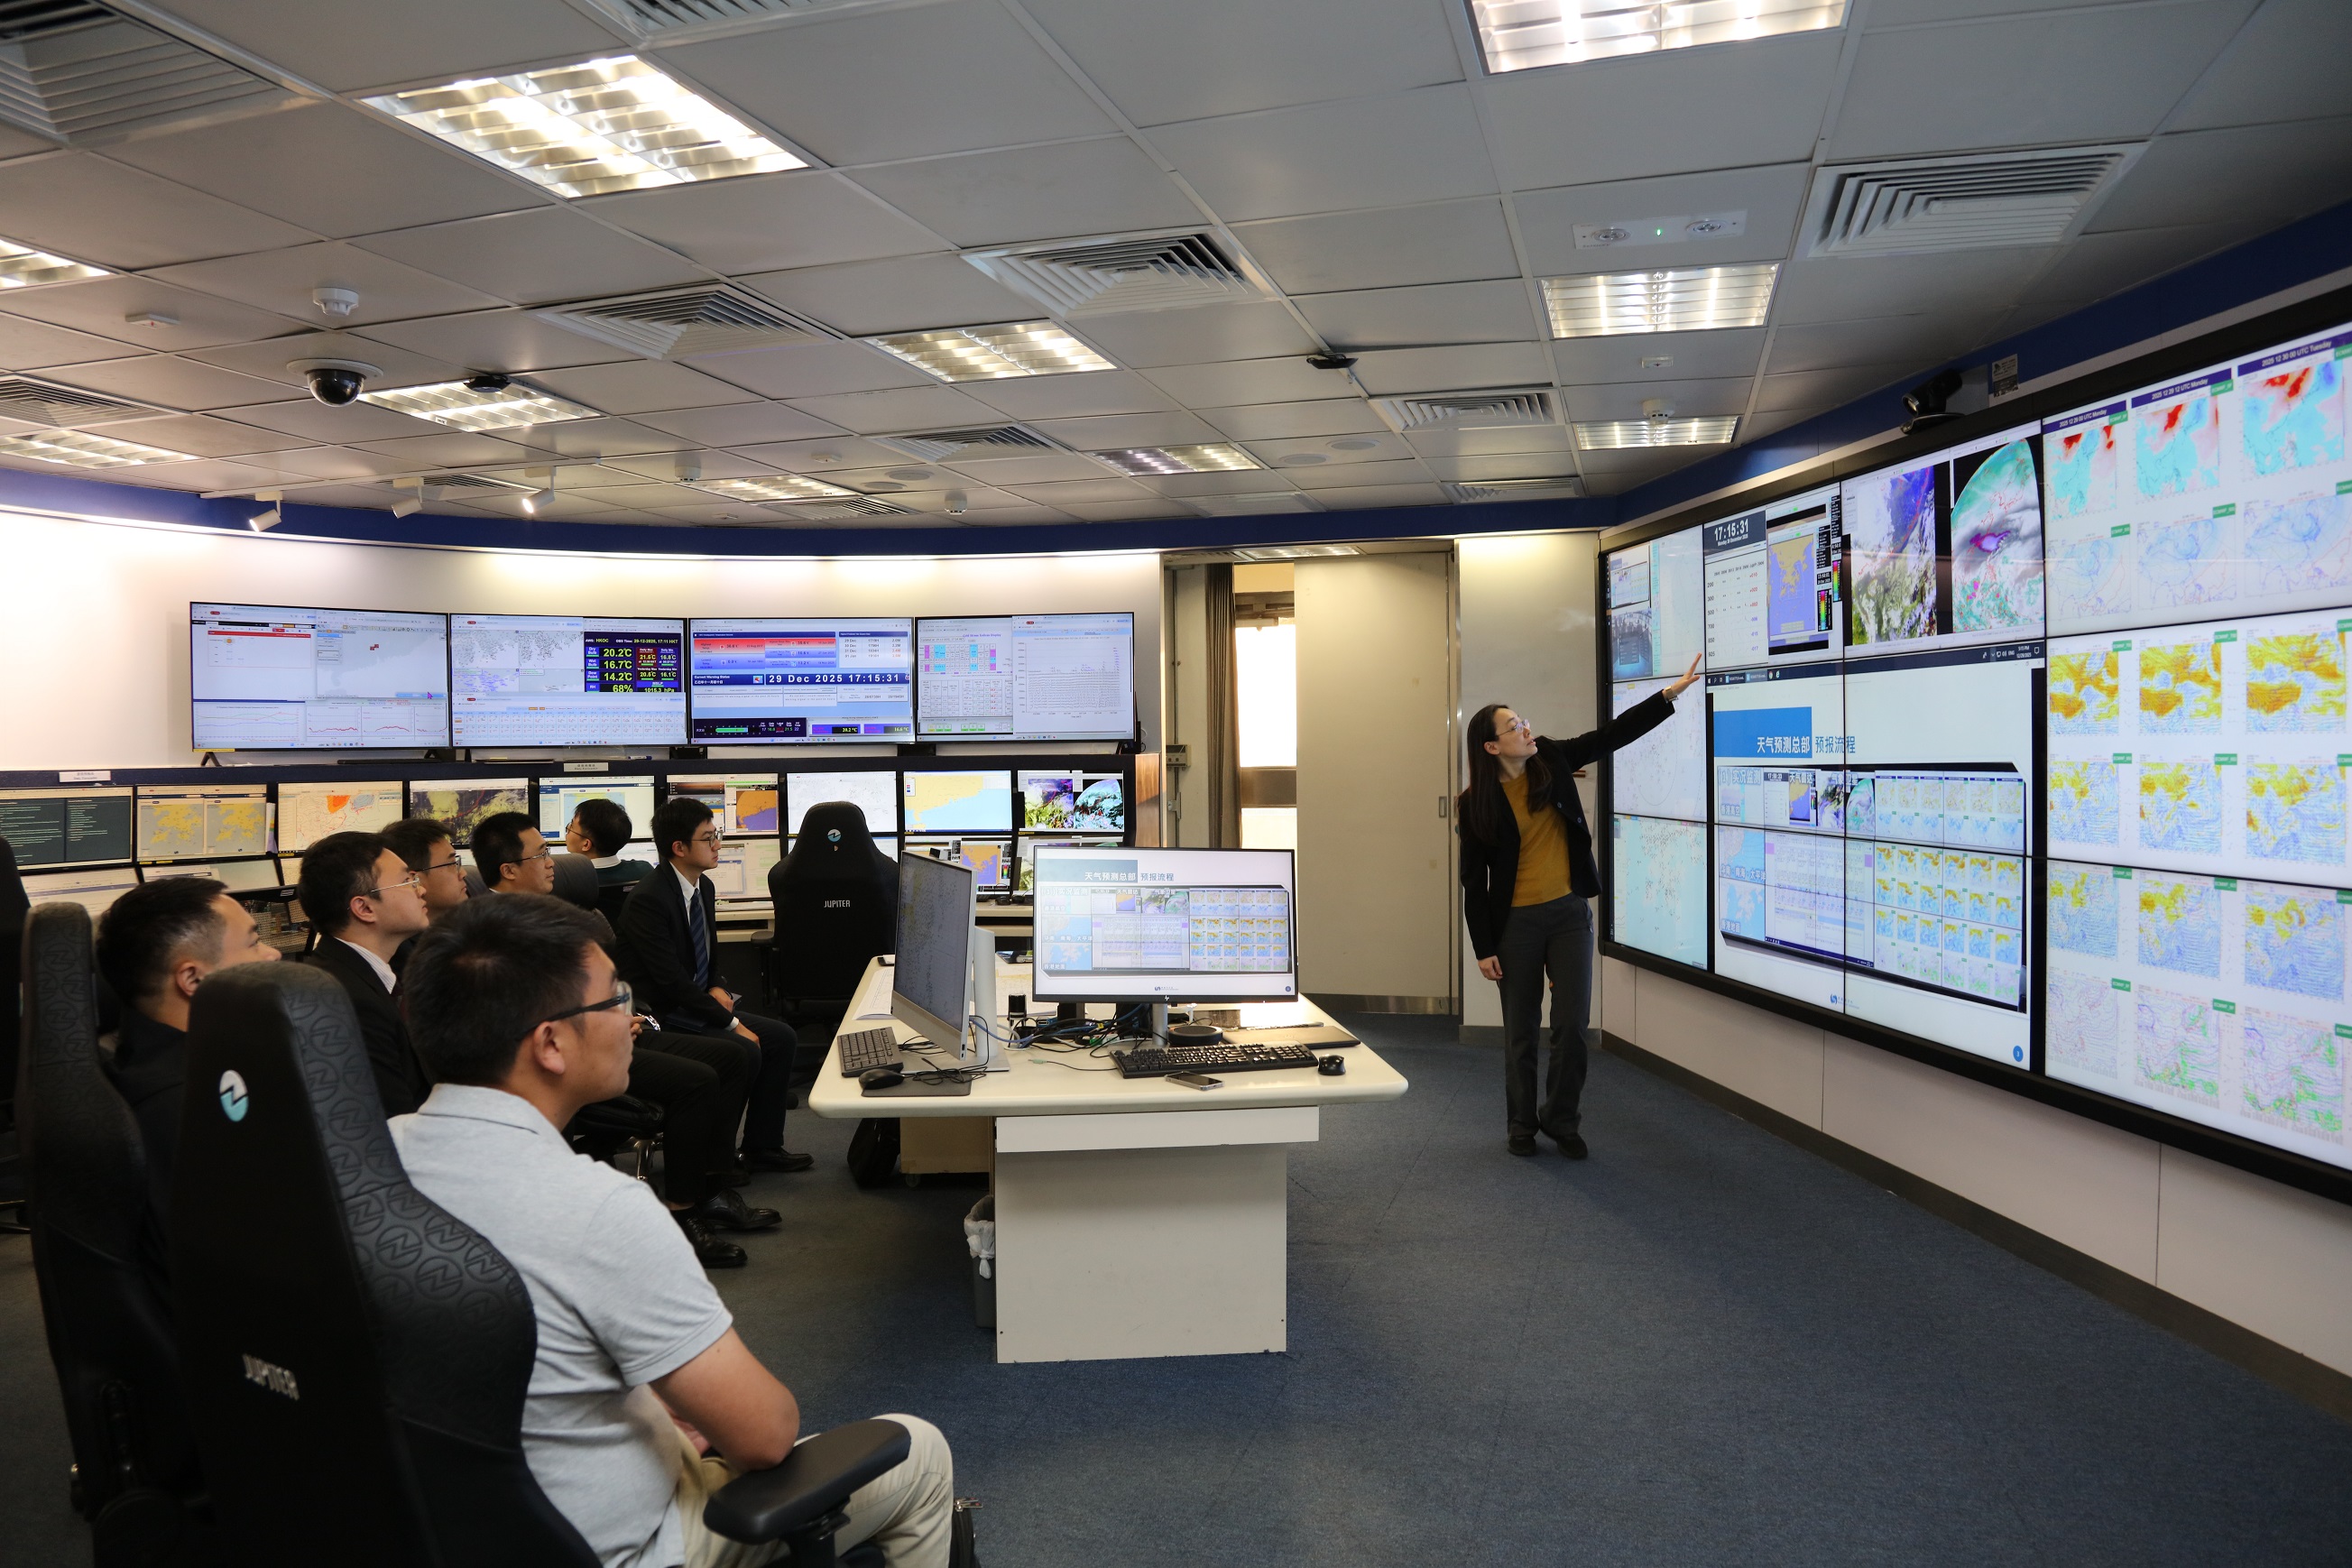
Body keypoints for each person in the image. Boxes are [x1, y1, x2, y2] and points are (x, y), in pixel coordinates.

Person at [392, 894, 955, 1568]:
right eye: (614, 1000)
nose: (631, 1018)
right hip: (616, 1546)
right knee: (917, 1452)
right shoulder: (600, 1208)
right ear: (550, 1043)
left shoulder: (364, 1167)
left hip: (439, 1529)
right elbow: (764, 1437)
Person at [478, 812, 778, 1266]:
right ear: (509, 870)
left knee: (731, 1060)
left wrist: (620, 1014)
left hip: (617, 1027)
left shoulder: (549, 916)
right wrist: (603, 1023)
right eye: (540, 853)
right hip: (575, 1050)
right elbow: (521, 1015)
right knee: (699, 1079)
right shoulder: (490, 931)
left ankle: (711, 1188)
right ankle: (682, 1211)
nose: (553, 860)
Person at [1459, 653, 1703, 1158]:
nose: (1527, 729)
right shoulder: (1475, 803)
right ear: (1491, 745)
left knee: (1571, 1027)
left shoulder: (1549, 758)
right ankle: (1522, 1124)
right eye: (1514, 726)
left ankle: (1560, 1118)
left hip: (1569, 915)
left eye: (1523, 721)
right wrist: (1484, 947)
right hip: (1515, 925)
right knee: (1521, 1032)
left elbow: (1607, 737)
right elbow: (1472, 881)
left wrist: (1669, 695)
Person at [94, 877, 281, 1293]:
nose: (274, 953)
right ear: (193, 979)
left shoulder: (177, 1066)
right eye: (253, 943)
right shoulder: (183, 1106)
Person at [619, 798, 814, 1176]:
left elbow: (706, 955)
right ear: (679, 848)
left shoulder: (701, 887)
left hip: (692, 1003)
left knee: (781, 1037)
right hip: (663, 1013)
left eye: (717, 836)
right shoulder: (649, 899)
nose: (718, 845)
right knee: (744, 1048)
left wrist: (718, 985)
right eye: (708, 838)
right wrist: (731, 1024)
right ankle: (717, 1163)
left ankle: (762, 1146)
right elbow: (670, 982)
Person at [297, 830, 434, 1117]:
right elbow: (396, 1118)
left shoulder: (368, 975)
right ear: (364, 908)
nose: (421, 890)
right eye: (408, 881)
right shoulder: (352, 1003)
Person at [383, 816, 475, 927]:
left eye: (457, 862)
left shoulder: (468, 925)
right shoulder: (401, 942)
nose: (463, 873)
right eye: (451, 864)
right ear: (414, 881)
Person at [566, 797, 654, 890]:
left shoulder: (567, 881)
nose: (567, 829)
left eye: (572, 826)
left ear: (586, 844)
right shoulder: (645, 871)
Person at [474, 811, 556, 897]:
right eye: (541, 855)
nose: (551, 863)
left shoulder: (533, 906)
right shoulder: (490, 910)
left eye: (546, 852)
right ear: (509, 871)